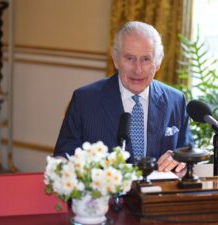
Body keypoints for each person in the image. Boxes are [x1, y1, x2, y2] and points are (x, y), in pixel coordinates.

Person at [53, 21, 193, 175]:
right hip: (104, 197)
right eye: (129, 58)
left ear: (158, 62)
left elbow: (187, 152)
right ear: (115, 60)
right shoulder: (84, 100)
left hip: (158, 196)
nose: (138, 69)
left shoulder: (175, 100)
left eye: (146, 59)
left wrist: (179, 159)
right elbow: (63, 156)